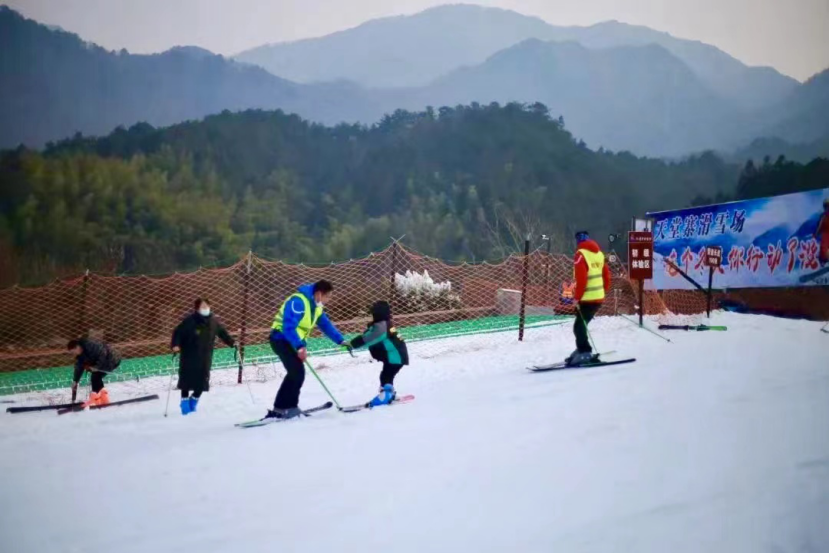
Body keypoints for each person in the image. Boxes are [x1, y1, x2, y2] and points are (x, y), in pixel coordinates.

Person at [266, 281, 349, 419]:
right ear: (318, 294)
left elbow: (326, 325)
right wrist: (300, 346)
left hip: (294, 342)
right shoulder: (298, 301)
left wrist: (341, 340)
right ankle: (285, 408)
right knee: (297, 372)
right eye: (327, 296)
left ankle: (284, 407)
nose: (328, 300)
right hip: (281, 339)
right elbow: (288, 327)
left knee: (296, 372)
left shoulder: (316, 307)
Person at [171, 298, 236, 415]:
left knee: (203, 379)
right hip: (189, 354)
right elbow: (178, 332)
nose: (205, 308)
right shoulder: (190, 321)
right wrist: (175, 345)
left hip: (205, 355)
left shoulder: (213, 321)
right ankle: (184, 403)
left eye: (207, 305)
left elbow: (222, 333)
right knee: (187, 378)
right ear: (197, 309)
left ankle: (194, 400)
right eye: (202, 306)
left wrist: (232, 342)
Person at [349, 300, 409, 407]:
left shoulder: (381, 327)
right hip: (397, 356)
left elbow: (368, 339)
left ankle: (385, 396)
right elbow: (370, 334)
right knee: (387, 375)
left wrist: (352, 344)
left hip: (395, 356)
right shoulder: (384, 324)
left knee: (386, 375)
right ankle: (389, 393)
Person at [566, 231, 612, 366]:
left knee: (579, 326)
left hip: (587, 298)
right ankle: (582, 349)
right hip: (598, 297)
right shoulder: (599, 254)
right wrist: (603, 291)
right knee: (581, 325)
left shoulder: (580, 255)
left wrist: (576, 298)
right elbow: (606, 276)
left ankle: (585, 351)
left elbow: (582, 279)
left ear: (578, 241)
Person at [68, 337, 122, 407]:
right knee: (96, 377)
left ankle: (95, 399)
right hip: (103, 362)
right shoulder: (80, 356)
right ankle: (103, 399)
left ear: (77, 347)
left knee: (95, 377)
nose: (73, 354)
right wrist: (75, 381)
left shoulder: (89, 345)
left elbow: (103, 353)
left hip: (111, 358)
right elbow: (79, 367)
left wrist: (97, 367)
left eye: (73, 352)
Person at [815, 198, 829, 266]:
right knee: (823, 250)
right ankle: (823, 261)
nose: (827, 207)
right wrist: (816, 234)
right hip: (825, 235)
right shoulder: (822, 216)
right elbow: (819, 227)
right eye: (826, 206)